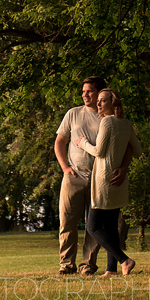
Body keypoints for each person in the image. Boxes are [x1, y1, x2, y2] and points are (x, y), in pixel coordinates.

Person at [75, 88, 142, 277]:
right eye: (99, 100)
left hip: (104, 180)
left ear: (114, 104)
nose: (98, 103)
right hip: (118, 180)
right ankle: (111, 270)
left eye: (103, 101)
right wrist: (123, 167)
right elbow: (136, 150)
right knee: (111, 226)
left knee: (93, 227)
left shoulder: (107, 122)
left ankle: (124, 260)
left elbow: (99, 152)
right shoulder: (126, 124)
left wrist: (82, 144)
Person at [53, 77, 104, 275]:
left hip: (98, 180)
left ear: (100, 93)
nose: (85, 94)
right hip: (73, 176)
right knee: (67, 222)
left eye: (90, 91)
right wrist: (65, 168)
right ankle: (66, 266)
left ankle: (88, 266)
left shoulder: (107, 118)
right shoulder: (73, 114)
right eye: (83, 91)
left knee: (94, 225)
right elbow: (59, 142)